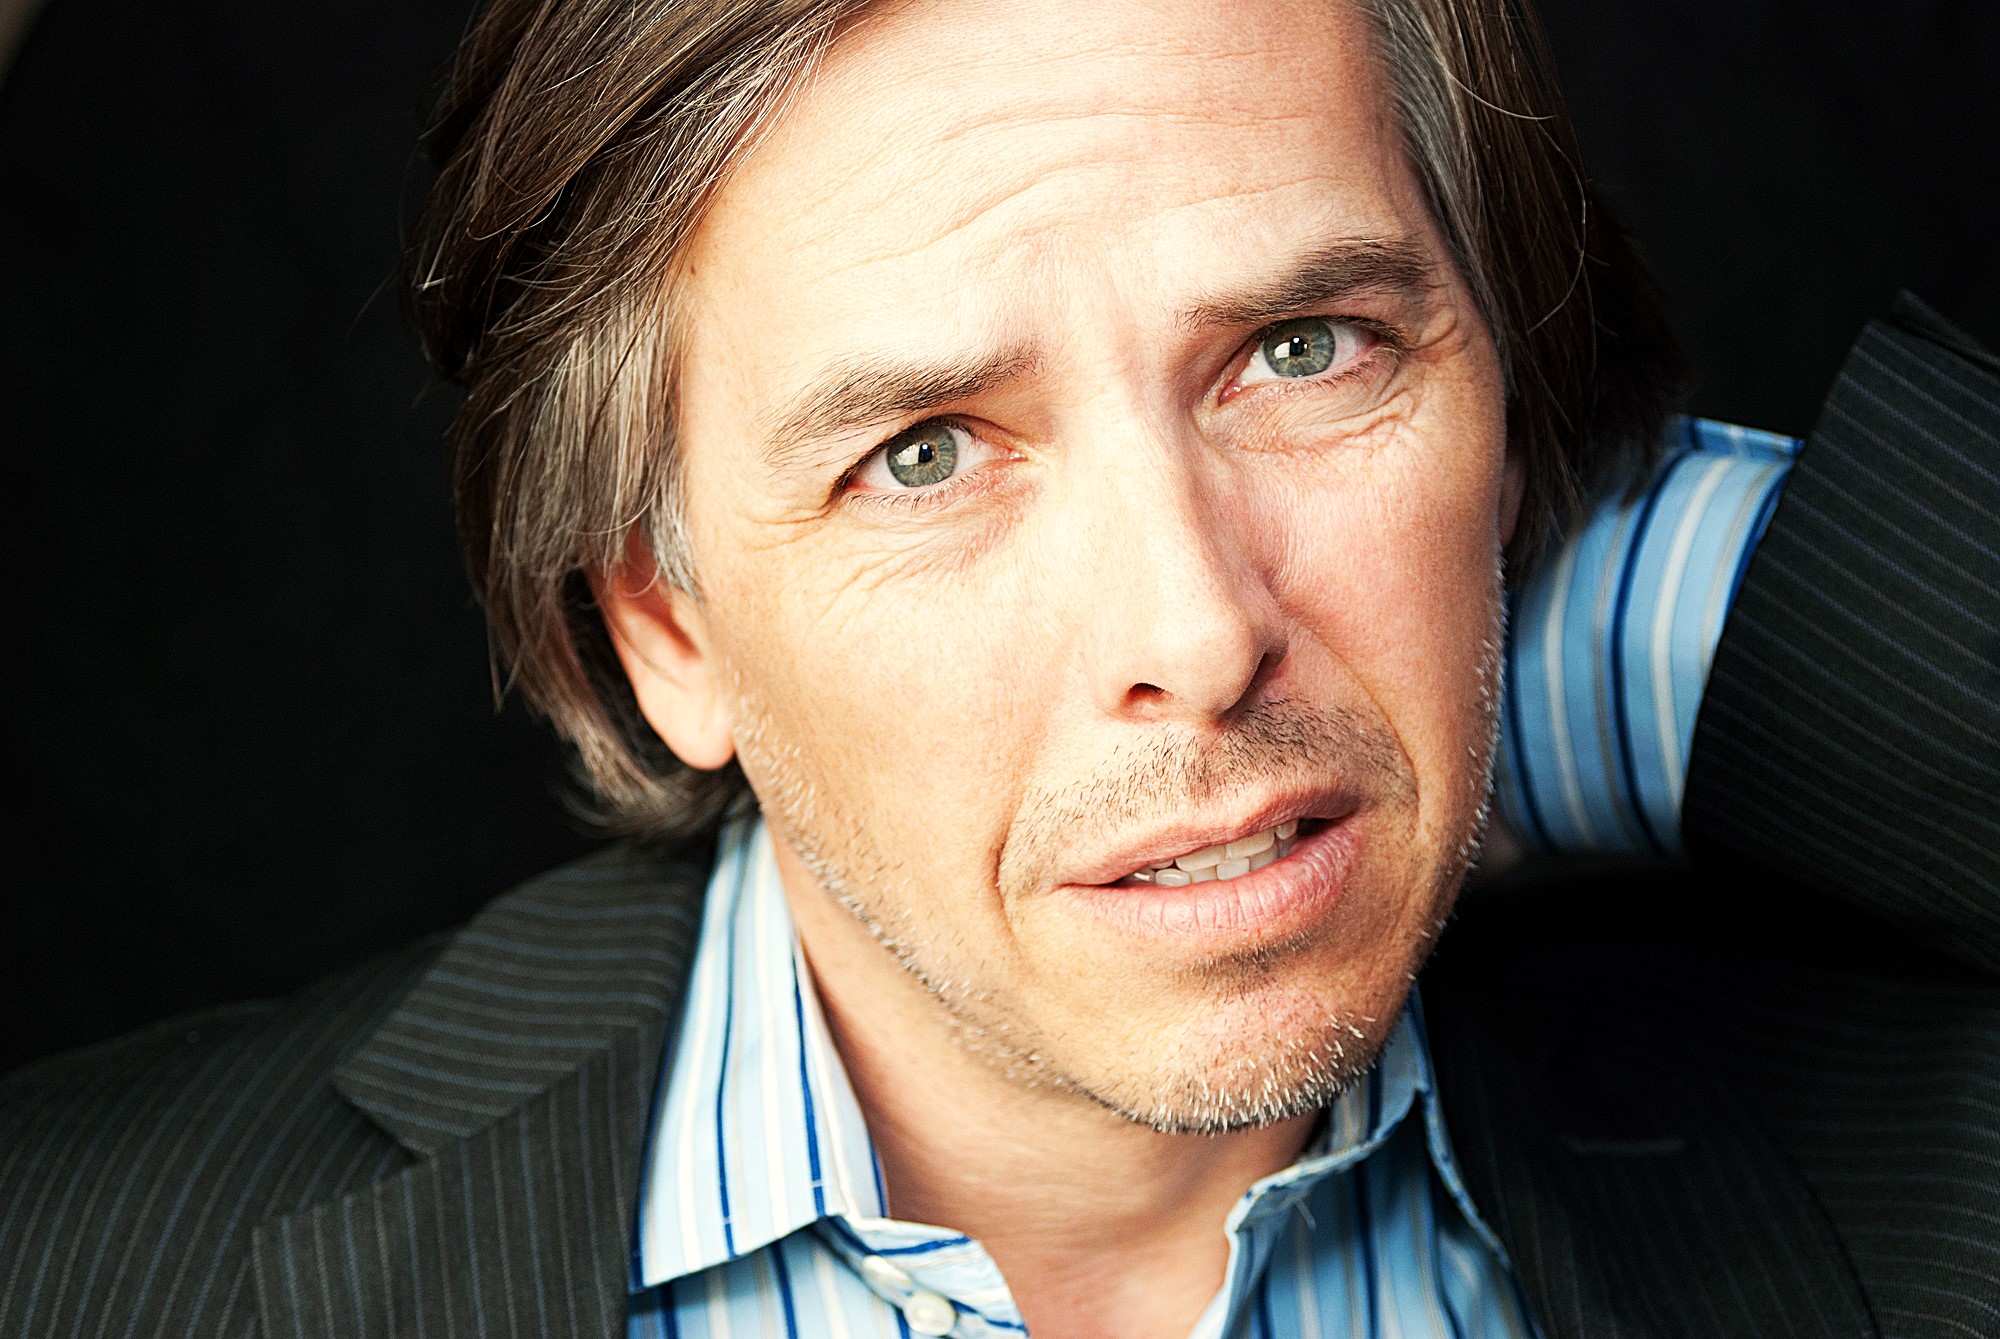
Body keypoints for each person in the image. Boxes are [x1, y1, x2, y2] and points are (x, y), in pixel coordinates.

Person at [3, 1, 1996, 1337]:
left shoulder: (1909, 1165)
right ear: (664, 625)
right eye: (925, 451)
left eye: (1308, 349)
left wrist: (1614, 623)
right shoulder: (76, 1262)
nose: (1197, 633)